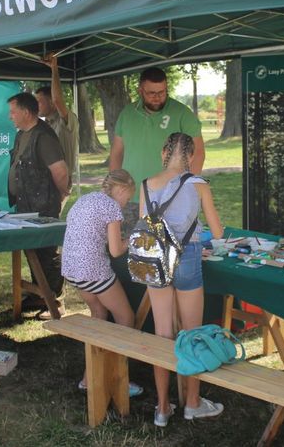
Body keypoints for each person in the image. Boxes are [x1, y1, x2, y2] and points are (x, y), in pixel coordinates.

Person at [142, 132, 224, 427]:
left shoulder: (146, 183)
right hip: (187, 256)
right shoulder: (198, 184)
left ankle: (163, 407)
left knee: (162, 332)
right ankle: (192, 402)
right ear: (191, 155)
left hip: (155, 259)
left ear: (164, 152)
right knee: (192, 333)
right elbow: (217, 232)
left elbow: (145, 225)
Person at [61, 169, 142, 396]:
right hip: (93, 271)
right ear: (122, 190)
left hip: (72, 269)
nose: (126, 203)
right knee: (126, 318)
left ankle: (89, 379)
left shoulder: (86, 198)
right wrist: (133, 238)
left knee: (99, 314)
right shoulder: (112, 207)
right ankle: (119, 378)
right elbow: (116, 251)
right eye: (128, 197)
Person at [109, 67, 205, 234]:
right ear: (140, 90)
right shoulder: (127, 113)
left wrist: (185, 188)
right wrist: (114, 187)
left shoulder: (182, 113)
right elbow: (117, 153)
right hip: (130, 197)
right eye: (151, 93)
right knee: (130, 247)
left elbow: (198, 153)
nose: (157, 97)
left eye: (162, 92)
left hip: (168, 198)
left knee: (169, 247)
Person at [7, 92, 69, 316]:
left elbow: (60, 172)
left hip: (43, 206)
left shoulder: (43, 136)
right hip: (26, 205)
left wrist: (60, 196)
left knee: (46, 252)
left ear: (26, 112)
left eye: (13, 112)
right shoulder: (21, 135)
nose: (10, 116)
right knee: (32, 251)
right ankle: (41, 294)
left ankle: (54, 299)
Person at [35, 53, 79, 193]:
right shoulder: (44, 125)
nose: (35, 106)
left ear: (51, 103)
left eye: (39, 102)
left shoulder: (66, 120)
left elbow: (58, 100)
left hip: (61, 180)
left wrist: (54, 68)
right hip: (46, 179)